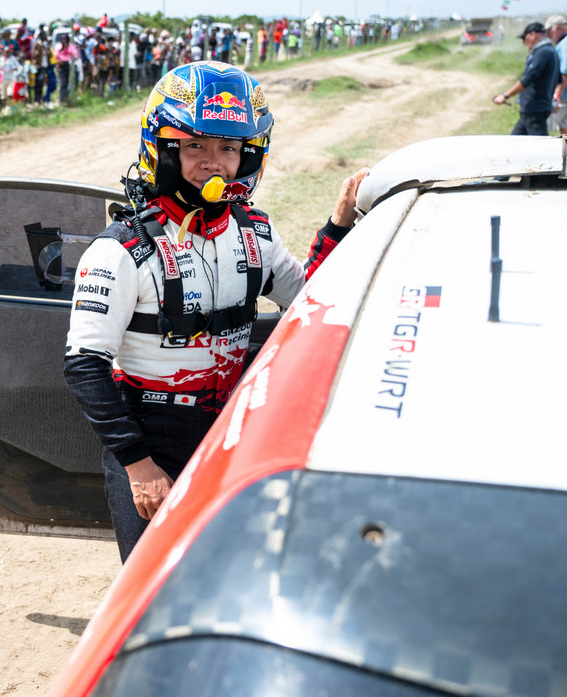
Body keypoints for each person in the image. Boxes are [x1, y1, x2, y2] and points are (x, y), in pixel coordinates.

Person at [63, 62, 364, 562]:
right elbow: (84, 365)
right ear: (163, 150)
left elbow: (310, 299)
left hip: (234, 432)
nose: (213, 163)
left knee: (238, 571)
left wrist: (337, 227)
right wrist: (139, 467)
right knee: (157, 585)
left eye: (228, 148)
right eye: (195, 147)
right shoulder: (121, 250)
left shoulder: (255, 233)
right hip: (152, 442)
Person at [493, 22, 560, 136]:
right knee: (514, 141)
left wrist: (505, 96)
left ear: (533, 35)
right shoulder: (550, 50)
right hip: (533, 108)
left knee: (540, 143)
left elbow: (527, 79)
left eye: (524, 38)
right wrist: (556, 98)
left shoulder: (543, 52)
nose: (524, 42)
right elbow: (559, 79)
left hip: (535, 108)